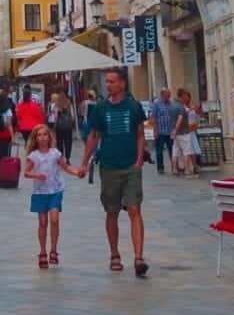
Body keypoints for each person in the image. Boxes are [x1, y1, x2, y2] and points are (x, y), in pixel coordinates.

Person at [80, 68, 148, 277]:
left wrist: (138, 160)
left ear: (122, 84)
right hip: (109, 166)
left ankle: (138, 257)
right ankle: (115, 254)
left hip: (130, 167)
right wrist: (84, 162)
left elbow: (139, 134)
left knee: (134, 210)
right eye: (107, 82)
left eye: (111, 81)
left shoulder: (133, 106)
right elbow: (93, 135)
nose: (107, 85)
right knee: (112, 211)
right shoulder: (100, 109)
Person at [25, 123, 84, 268]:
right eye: (39, 135)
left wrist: (77, 172)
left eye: (45, 134)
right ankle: (43, 251)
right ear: (35, 138)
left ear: (49, 136)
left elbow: (65, 167)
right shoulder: (33, 156)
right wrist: (36, 175)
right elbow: (26, 173)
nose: (43, 137)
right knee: (43, 222)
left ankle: (54, 250)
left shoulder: (55, 153)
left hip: (55, 190)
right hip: (40, 192)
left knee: (54, 219)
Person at [148, 88, 185, 175]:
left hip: (170, 131)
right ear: (162, 95)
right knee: (159, 151)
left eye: (169, 95)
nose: (169, 97)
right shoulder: (156, 104)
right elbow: (153, 118)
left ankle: (174, 167)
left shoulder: (171, 103)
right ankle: (160, 168)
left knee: (172, 150)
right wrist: (155, 131)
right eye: (167, 95)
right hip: (160, 131)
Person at [173, 88, 195, 176]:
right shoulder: (181, 107)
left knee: (175, 152)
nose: (187, 98)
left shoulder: (172, 105)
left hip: (176, 133)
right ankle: (186, 170)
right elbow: (180, 118)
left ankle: (174, 169)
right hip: (183, 132)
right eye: (185, 96)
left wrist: (174, 131)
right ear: (182, 96)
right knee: (186, 151)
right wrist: (176, 129)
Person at [53, 88, 76, 163]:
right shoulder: (69, 103)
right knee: (68, 142)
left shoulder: (57, 104)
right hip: (68, 127)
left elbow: (56, 117)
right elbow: (72, 116)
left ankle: (61, 158)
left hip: (59, 127)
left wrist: (55, 124)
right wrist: (71, 123)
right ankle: (68, 159)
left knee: (60, 142)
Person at [0, 93, 15, 161]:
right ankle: (4, 169)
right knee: (5, 154)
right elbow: (9, 124)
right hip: (5, 134)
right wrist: (12, 137)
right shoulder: (8, 110)